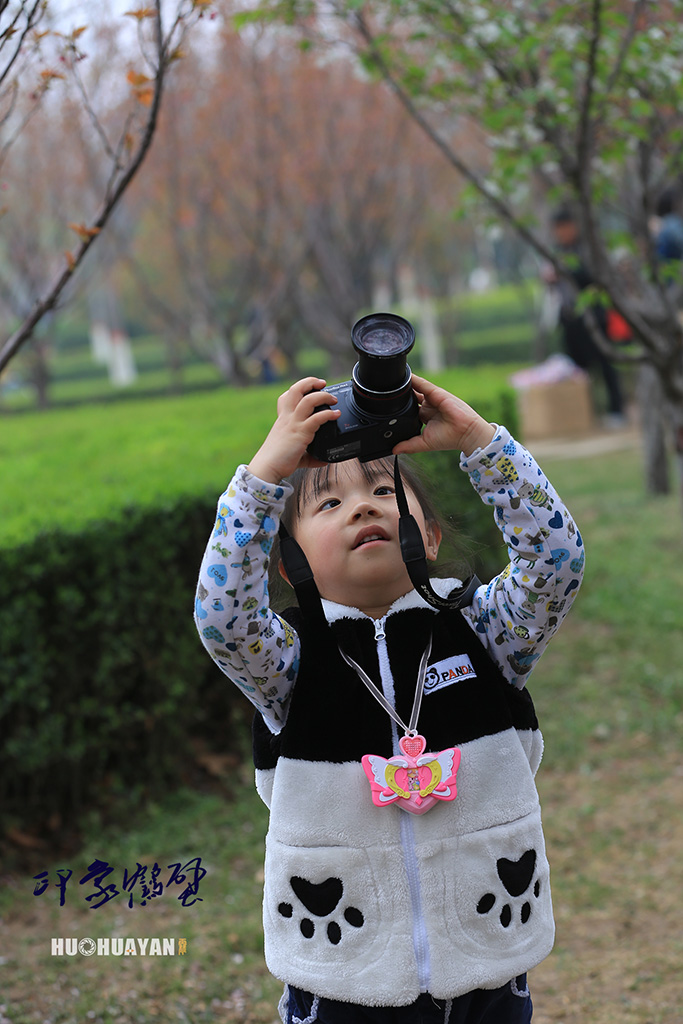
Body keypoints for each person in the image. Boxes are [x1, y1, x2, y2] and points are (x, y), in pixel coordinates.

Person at [194, 374, 585, 1024]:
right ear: (290, 564)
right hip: (344, 977)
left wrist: (478, 443)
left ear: (428, 538)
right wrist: (266, 475)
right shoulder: (289, 662)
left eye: (382, 490)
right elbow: (222, 619)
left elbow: (555, 564)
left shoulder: (481, 631)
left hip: (486, 966)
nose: (362, 506)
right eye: (326, 504)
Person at [544, 206, 626, 425]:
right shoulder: (557, 251)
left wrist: (567, 272)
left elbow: (594, 277)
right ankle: (585, 415)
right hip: (570, 320)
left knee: (606, 366)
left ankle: (616, 410)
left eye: (564, 228)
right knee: (576, 371)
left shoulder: (586, 249)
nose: (561, 233)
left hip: (594, 317)